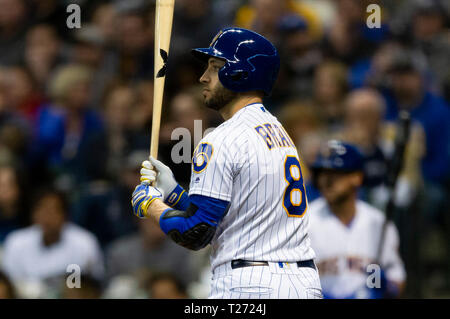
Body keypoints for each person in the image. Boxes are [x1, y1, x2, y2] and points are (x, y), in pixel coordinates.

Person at [131, 27, 322, 299]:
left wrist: (151, 205)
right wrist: (174, 194)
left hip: (250, 285)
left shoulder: (221, 138)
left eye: (214, 66)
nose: (203, 77)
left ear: (240, 72)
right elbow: (232, 219)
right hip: (303, 282)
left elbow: (196, 233)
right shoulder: (279, 131)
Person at [307, 140, 406, 299]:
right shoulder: (305, 222)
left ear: (357, 177)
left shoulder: (378, 223)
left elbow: (397, 279)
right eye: (322, 174)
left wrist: (384, 288)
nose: (326, 180)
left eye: (336, 173)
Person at [1, 189, 104, 290]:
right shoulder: (16, 242)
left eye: (53, 211)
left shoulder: (84, 243)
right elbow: (10, 287)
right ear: (33, 214)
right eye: (42, 210)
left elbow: (92, 285)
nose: (48, 217)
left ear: (65, 214)